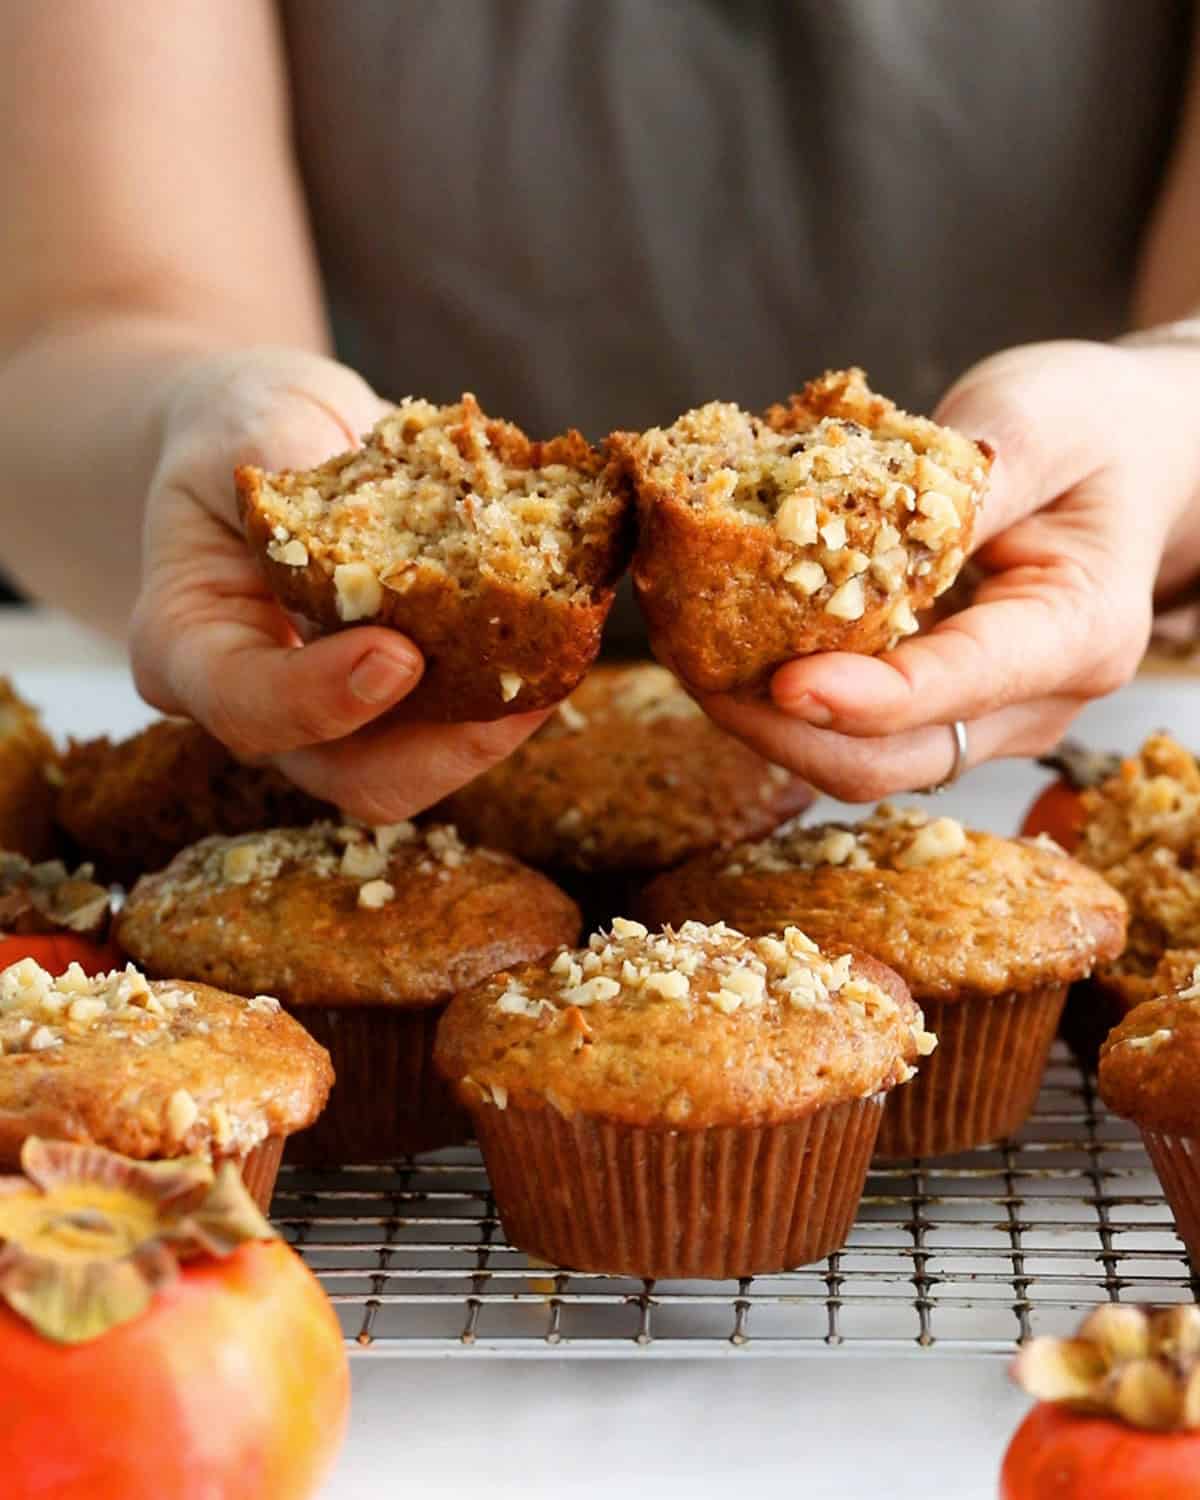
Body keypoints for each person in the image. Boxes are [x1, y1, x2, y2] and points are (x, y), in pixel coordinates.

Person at [1, 1, 1198, 822]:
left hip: (1039, 769)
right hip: (335, 774)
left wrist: (1160, 426)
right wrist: (190, 425)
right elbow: (86, 321)